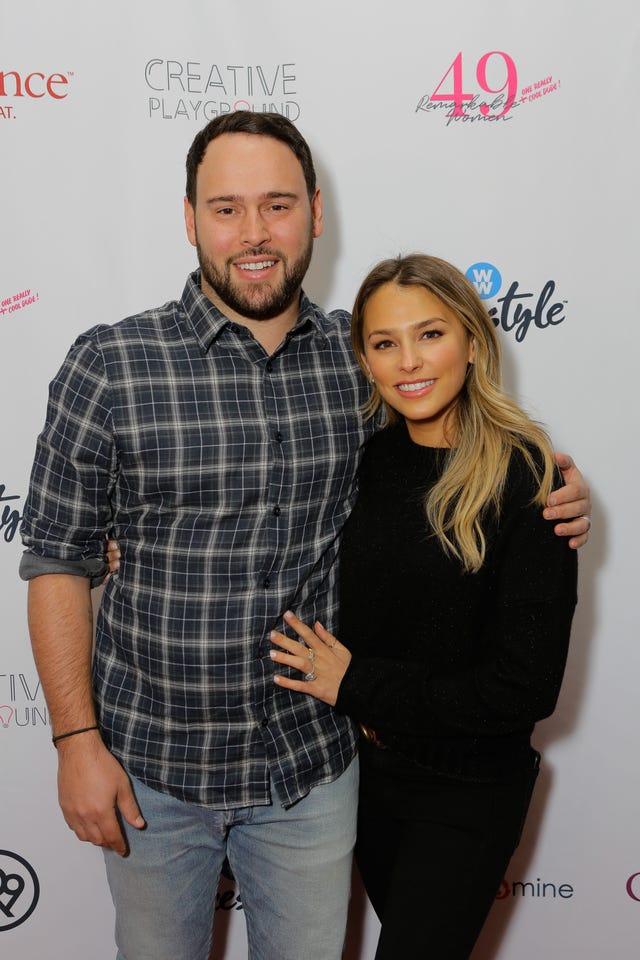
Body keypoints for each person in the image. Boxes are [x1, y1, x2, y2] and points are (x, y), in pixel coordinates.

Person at [20, 113, 589, 960]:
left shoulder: (354, 364)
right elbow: (58, 560)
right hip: (154, 773)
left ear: (316, 213)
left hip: (312, 773)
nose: (254, 234)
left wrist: (550, 483)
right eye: (226, 208)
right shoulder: (110, 365)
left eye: (277, 205)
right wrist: (75, 744)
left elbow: (446, 435)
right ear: (189, 218)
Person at [270, 254, 579, 959]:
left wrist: (357, 684)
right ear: (366, 361)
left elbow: (524, 688)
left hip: (466, 792)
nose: (409, 360)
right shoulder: (365, 462)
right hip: (365, 782)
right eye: (385, 343)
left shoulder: (527, 476)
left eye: (431, 334)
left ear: (472, 342)